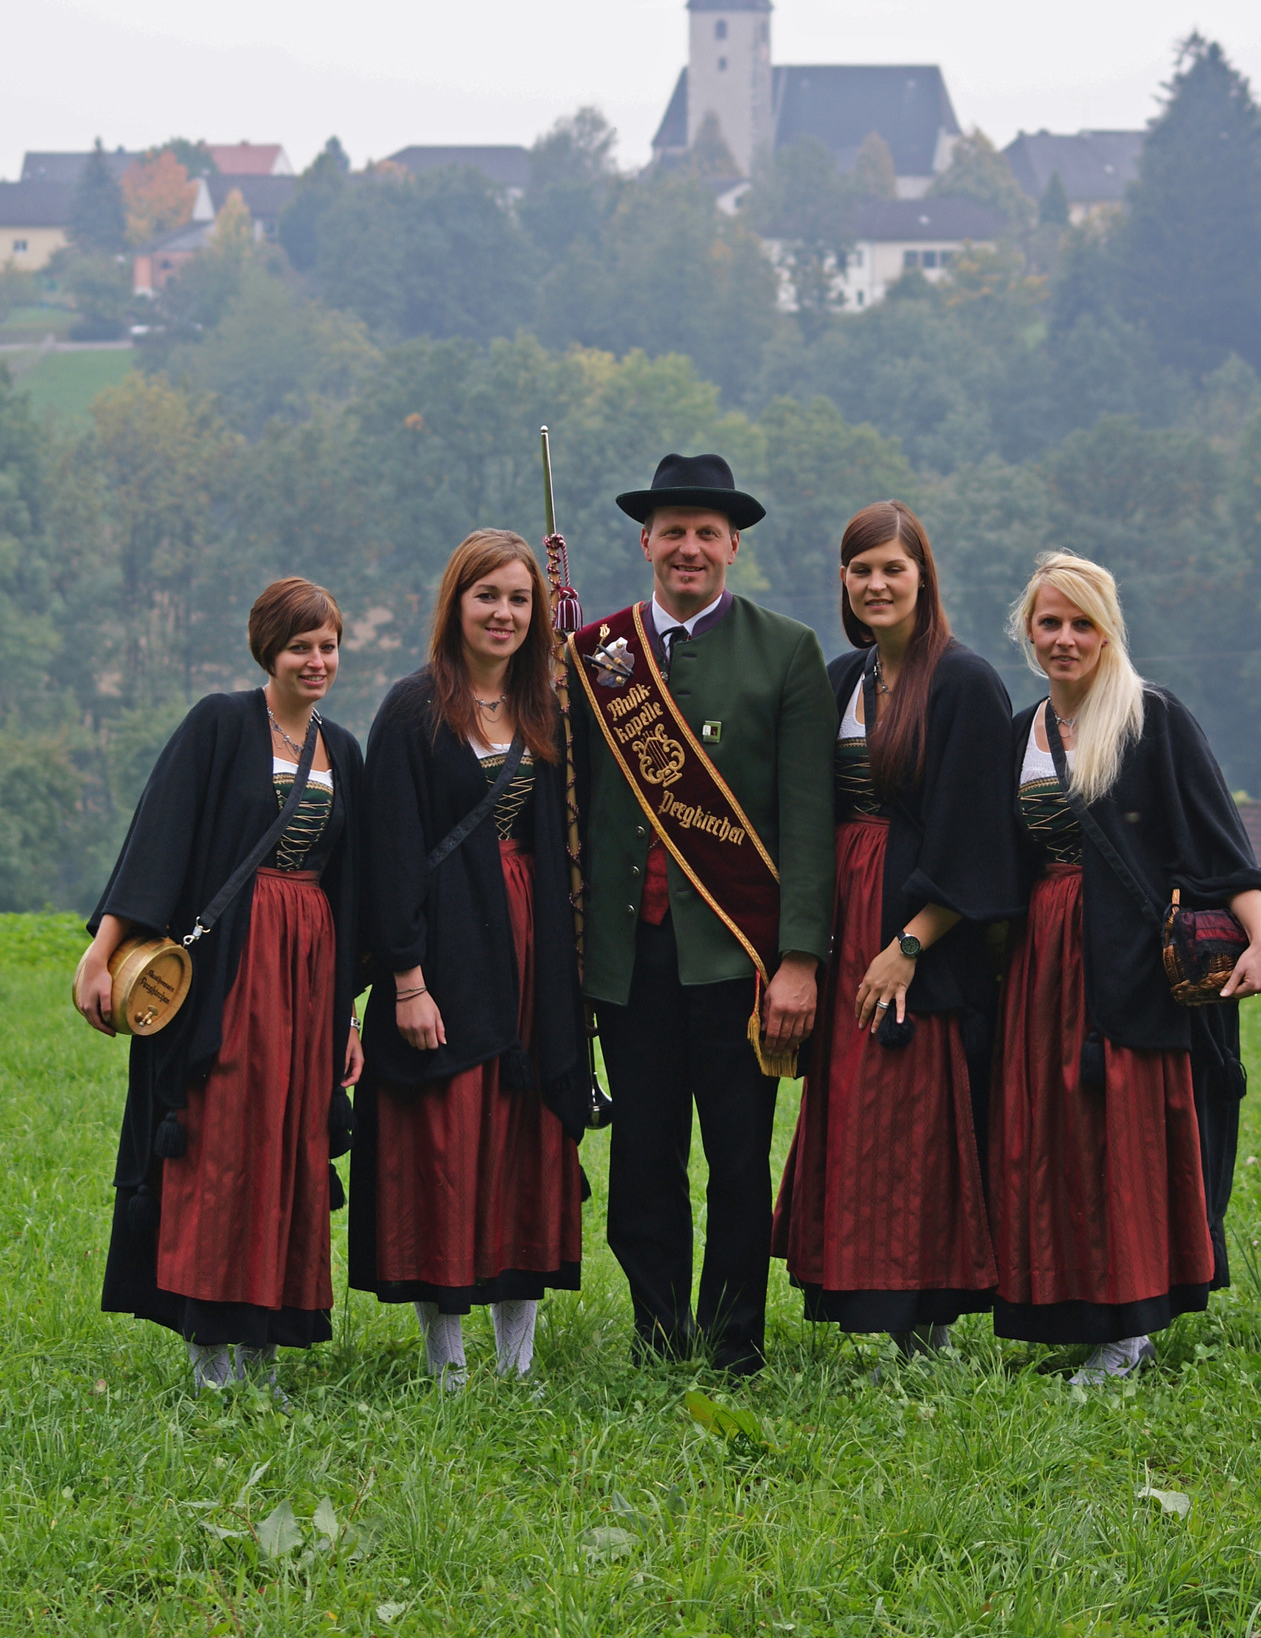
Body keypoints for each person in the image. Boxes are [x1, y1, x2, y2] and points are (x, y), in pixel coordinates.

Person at [569, 452, 837, 1375]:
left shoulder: (787, 651)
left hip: (737, 959)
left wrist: (799, 958)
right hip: (628, 956)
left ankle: (731, 1345)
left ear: (734, 548)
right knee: (643, 1161)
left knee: (733, 1163)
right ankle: (656, 1335)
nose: (689, 548)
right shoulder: (596, 655)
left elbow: (807, 820)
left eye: (707, 534)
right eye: (673, 531)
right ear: (646, 542)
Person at [990, 551, 1261, 1383]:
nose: (1065, 638)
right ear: (1028, 631)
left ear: (1108, 630)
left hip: (1130, 964)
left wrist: (1258, 938)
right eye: (1050, 622)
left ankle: (1130, 1332)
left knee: (1125, 1138)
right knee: (1055, 1137)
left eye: (1083, 623)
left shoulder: (1152, 716)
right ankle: (1077, 1312)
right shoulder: (1022, 730)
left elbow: (1216, 841)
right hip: (1043, 964)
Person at [73, 578, 364, 1393]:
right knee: (222, 1138)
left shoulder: (345, 747)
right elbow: (158, 838)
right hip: (226, 972)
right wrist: (102, 952)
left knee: (287, 1147)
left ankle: (264, 1349)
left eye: (328, 645)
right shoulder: (219, 723)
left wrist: (348, 1016)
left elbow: (351, 890)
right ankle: (209, 1353)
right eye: (300, 646)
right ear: (266, 650)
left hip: (309, 971)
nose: (316, 661)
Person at [773, 501, 1022, 1360]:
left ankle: (931, 1329)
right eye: (860, 569)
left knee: (915, 1125)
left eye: (892, 568)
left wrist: (908, 946)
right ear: (842, 582)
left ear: (923, 577)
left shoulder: (964, 683)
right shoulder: (842, 678)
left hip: (918, 938)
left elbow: (977, 839)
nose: (876, 584)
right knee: (853, 1116)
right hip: (843, 920)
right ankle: (866, 1299)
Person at [349, 530, 590, 1386]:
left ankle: (516, 1359)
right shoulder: (414, 710)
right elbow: (389, 852)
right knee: (445, 1140)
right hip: (446, 947)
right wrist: (406, 979)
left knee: (524, 1138)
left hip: (533, 949)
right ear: (455, 604)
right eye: (487, 595)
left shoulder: (547, 708)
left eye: (520, 599)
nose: (504, 612)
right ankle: (445, 1359)